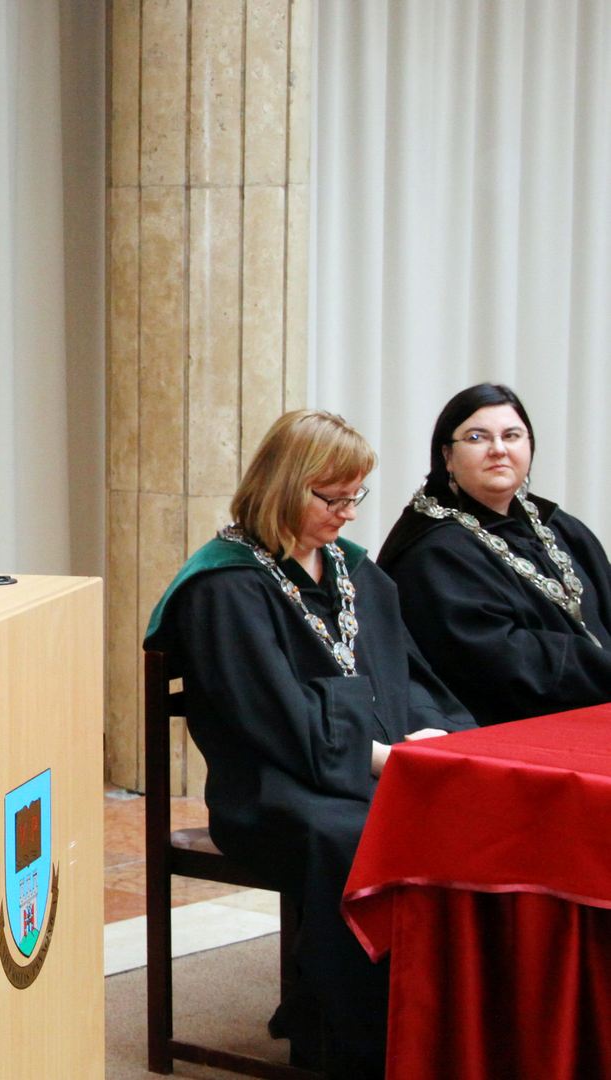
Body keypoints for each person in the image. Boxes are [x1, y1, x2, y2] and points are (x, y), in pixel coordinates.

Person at [144, 410, 472, 1078]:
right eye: (333, 498)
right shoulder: (224, 587)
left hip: (372, 767)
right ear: (283, 487)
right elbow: (272, 718)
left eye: (355, 496)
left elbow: (408, 675)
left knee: (465, 810)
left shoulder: (354, 571)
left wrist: (433, 732)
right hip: (271, 788)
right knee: (359, 835)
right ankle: (347, 1040)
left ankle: (438, 1029)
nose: (348, 513)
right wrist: (383, 759)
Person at [378, 383, 611, 725]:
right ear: (447, 456)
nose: (498, 450)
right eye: (477, 438)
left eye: (512, 436)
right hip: (509, 730)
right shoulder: (433, 551)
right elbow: (501, 659)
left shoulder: (560, 527)